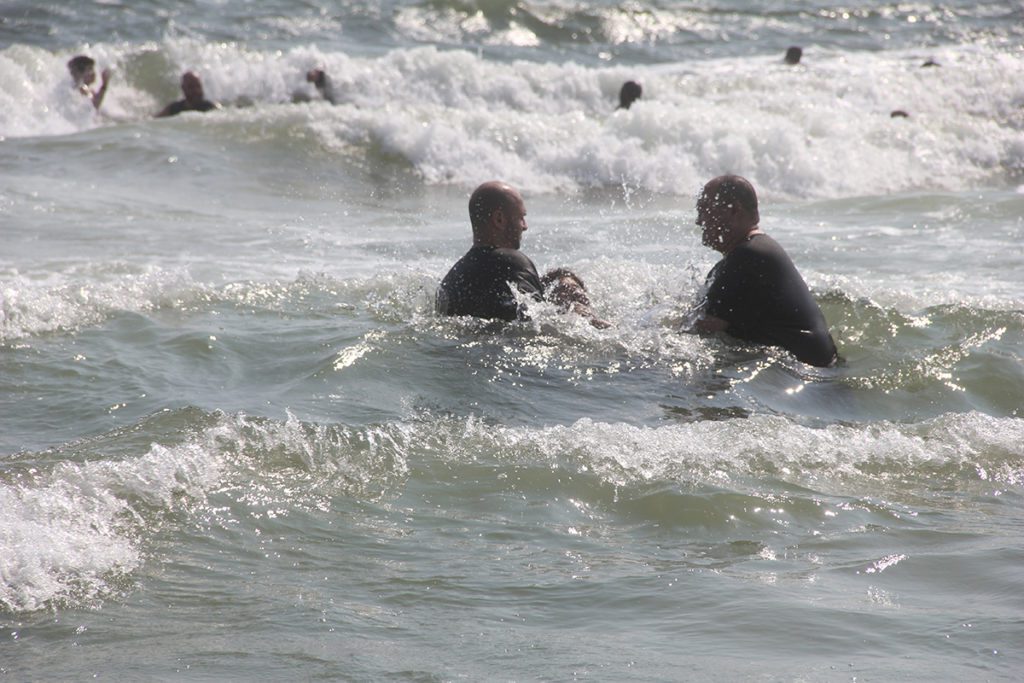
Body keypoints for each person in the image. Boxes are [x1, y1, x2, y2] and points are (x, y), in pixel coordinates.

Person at [692, 175, 838, 367]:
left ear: (734, 210)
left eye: (704, 210)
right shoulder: (753, 253)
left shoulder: (747, 257)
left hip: (806, 374)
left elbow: (700, 330)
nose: (698, 221)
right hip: (813, 372)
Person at [436, 181, 543, 321]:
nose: (525, 226)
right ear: (499, 219)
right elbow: (541, 318)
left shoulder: (451, 280)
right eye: (521, 217)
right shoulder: (513, 262)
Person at [541, 268, 611, 328]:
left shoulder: (607, 313)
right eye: (564, 289)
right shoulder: (545, 323)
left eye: (575, 287)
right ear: (551, 298)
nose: (576, 292)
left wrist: (592, 319)